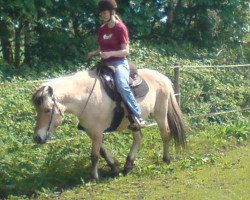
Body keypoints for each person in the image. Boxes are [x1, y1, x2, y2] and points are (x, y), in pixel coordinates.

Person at [87, 0, 145, 127]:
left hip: (119, 62)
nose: (103, 15)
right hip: (104, 63)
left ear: (112, 11)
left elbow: (126, 51)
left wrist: (110, 54)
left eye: (105, 12)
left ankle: (138, 116)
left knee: (121, 84)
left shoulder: (120, 28)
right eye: (102, 13)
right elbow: (102, 48)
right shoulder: (102, 28)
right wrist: (95, 53)